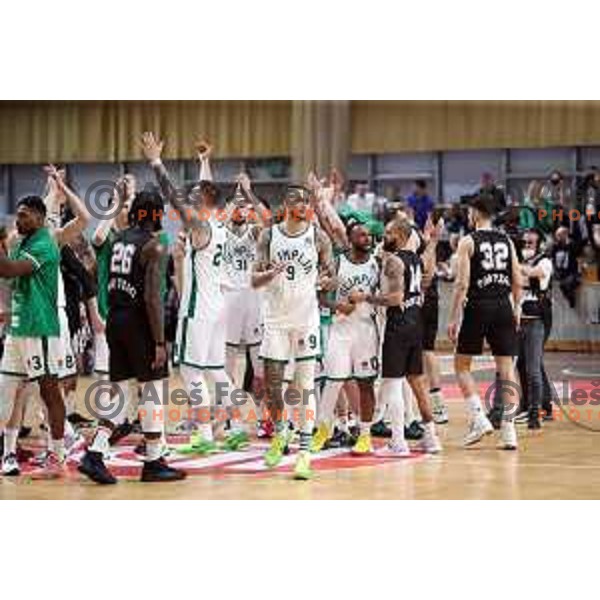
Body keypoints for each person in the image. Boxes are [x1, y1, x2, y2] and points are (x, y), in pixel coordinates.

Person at [142, 132, 250, 454]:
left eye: (194, 195)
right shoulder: (218, 224)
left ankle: (203, 434)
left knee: (190, 371)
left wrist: (156, 162)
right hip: (218, 308)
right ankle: (239, 428)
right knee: (217, 371)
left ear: (202, 202)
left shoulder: (199, 225)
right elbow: (208, 193)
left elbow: (173, 198)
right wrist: (205, 162)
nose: (188, 197)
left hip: (197, 308)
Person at [78, 191, 186, 484]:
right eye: (159, 212)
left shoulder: (119, 239)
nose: (162, 216)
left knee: (122, 393)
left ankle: (95, 453)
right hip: (139, 323)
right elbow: (152, 297)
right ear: (150, 214)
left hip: (116, 319)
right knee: (152, 391)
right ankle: (153, 460)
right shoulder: (154, 246)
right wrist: (160, 341)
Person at [252, 184, 334, 480]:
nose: (304, 205)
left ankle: (304, 453)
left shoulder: (318, 235)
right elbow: (253, 280)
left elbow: (332, 276)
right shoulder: (268, 235)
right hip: (275, 319)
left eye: (307, 201)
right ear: (286, 203)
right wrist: (269, 273)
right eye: (298, 200)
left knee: (306, 384)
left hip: (306, 319)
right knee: (274, 387)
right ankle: (280, 434)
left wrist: (326, 283)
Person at [353, 218, 442, 455]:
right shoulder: (414, 258)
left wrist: (366, 298)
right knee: (417, 383)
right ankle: (431, 438)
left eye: (390, 232)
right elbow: (427, 274)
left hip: (399, 325)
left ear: (401, 236)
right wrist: (433, 241)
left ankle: (398, 441)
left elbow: (395, 299)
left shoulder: (394, 261)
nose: (385, 235)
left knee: (392, 383)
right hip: (416, 324)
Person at [448, 194, 521, 450]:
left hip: (478, 305)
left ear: (477, 213)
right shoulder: (507, 240)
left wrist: (454, 317)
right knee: (506, 368)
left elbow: (462, 284)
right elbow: (518, 279)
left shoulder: (468, 241)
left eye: (470, 212)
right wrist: (517, 308)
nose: (468, 216)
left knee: (461, 365)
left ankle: (479, 418)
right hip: (503, 305)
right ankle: (509, 430)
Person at [0, 195, 66, 477]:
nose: (19, 219)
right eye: (17, 214)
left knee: (49, 392)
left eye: (25, 215)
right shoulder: (23, 243)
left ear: (40, 218)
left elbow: (9, 269)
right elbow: (10, 279)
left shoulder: (44, 245)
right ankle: (8, 454)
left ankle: (58, 453)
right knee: (6, 392)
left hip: (39, 329)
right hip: (17, 328)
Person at [311, 221, 380, 455]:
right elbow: (320, 296)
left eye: (369, 235)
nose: (367, 239)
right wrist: (339, 305)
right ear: (350, 239)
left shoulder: (376, 263)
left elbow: (387, 294)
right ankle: (323, 430)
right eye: (361, 236)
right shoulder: (338, 263)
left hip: (366, 330)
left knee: (365, 383)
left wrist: (368, 298)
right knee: (333, 381)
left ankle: (365, 435)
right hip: (340, 330)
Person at [515, 228, 553, 429]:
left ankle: (536, 410)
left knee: (533, 366)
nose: (526, 246)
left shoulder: (544, 261)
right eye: (524, 243)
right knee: (523, 363)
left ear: (539, 245)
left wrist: (515, 265)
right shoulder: (524, 263)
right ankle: (534, 405)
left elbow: (534, 274)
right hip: (522, 319)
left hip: (539, 319)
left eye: (530, 243)